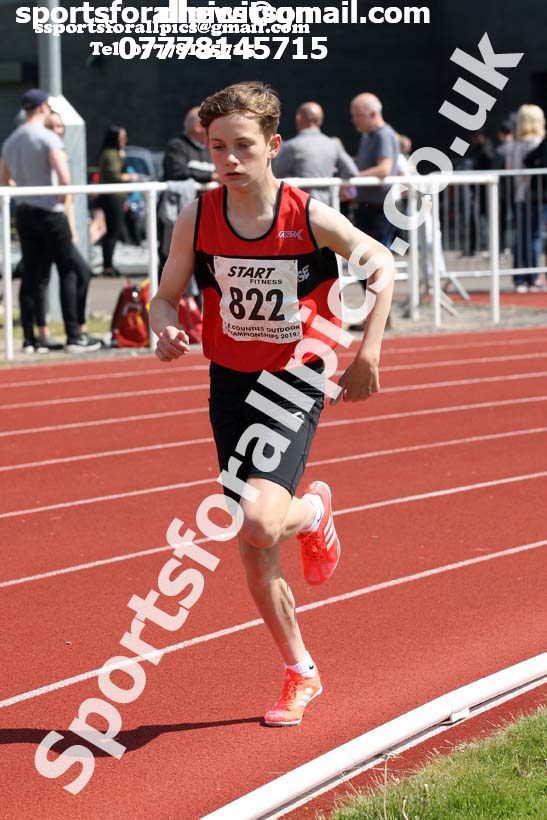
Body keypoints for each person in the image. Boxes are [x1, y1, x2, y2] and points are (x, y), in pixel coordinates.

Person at [150, 81, 394, 727]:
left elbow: (382, 265)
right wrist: (162, 326)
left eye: (242, 147)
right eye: (217, 146)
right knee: (253, 548)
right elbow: (164, 293)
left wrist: (366, 354)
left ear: (273, 147)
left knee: (259, 522)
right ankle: (300, 671)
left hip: (294, 378)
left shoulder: (306, 214)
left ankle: (312, 509)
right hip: (228, 385)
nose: (228, 159)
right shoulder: (196, 215)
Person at [0, 88, 101, 352]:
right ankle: (73, 335)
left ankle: (31, 339)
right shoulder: (47, 138)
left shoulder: (11, 140)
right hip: (49, 212)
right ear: (44, 106)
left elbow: (4, 180)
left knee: (32, 276)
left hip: (24, 212)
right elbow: (64, 178)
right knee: (69, 268)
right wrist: (59, 197)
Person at [272, 101, 358, 204]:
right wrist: (341, 188)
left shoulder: (292, 146)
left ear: (299, 118)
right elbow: (352, 171)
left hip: (302, 208)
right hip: (329, 207)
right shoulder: (334, 144)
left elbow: (276, 174)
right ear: (320, 121)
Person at [506, 104, 546, 292]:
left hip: (519, 195)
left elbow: (510, 170)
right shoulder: (537, 143)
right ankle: (532, 276)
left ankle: (520, 277)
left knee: (521, 236)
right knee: (534, 236)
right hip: (534, 195)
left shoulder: (514, 144)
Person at [97, 125, 138, 276]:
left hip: (119, 197)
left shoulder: (117, 153)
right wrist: (129, 177)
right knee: (112, 232)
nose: (124, 140)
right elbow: (115, 175)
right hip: (112, 197)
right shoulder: (110, 154)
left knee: (115, 231)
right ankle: (108, 265)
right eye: (122, 137)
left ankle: (108, 264)